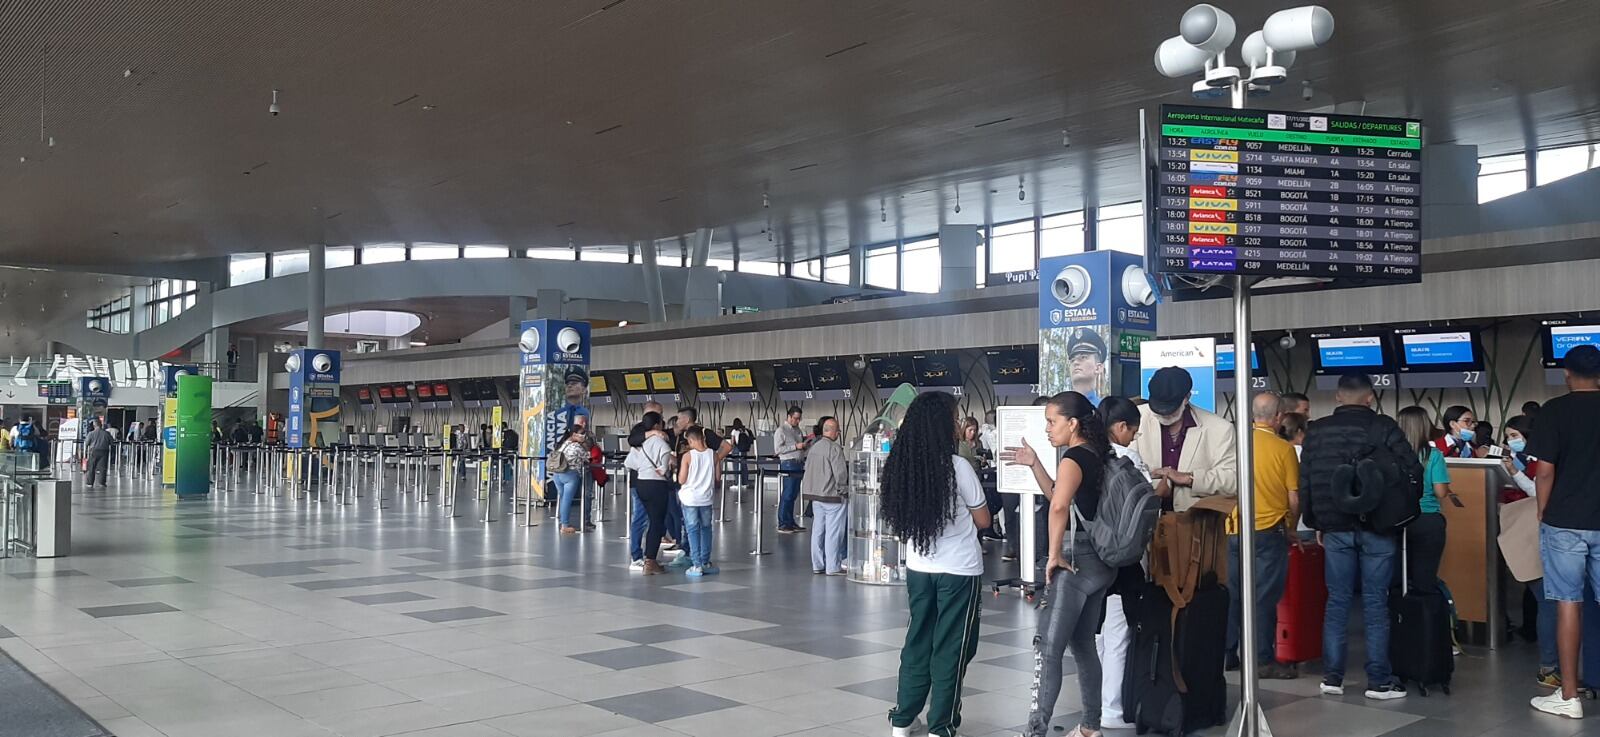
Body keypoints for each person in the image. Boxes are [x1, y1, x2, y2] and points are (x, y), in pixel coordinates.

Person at [1300, 372, 1420, 700]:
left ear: (1338, 396)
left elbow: (1306, 481)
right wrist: (1400, 514)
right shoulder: (1385, 428)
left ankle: (1333, 678)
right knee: (1375, 602)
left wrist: (1316, 522)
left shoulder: (1317, 432)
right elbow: (1413, 470)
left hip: (1335, 529)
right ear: (1370, 397)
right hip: (1379, 527)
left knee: (1337, 601)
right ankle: (1379, 681)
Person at [1004, 392, 1113, 737]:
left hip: (1076, 560)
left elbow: (1058, 508)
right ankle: (1091, 727)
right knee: (1083, 646)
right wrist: (1035, 462)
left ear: (1073, 423)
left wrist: (1053, 554)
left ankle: (1035, 731)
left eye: (1052, 421)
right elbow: (1059, 495)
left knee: (1048, 647)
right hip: (1101, 562)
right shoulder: (1097, 453)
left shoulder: (1073, 458)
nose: (1048, 428)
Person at [884, 392, 990, 737]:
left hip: (919, 569)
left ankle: (903, 719)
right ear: (942, 425)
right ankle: (940, 725)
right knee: (952, 648)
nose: (960, 424)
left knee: (918, 639)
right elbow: (984, 520)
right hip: (959, 571)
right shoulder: (958, 467)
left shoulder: (901, 466)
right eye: (956, 418)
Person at [1529, 345, 1600, 719]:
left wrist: (1543, 509)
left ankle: (1569, 696)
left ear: (1567, 375)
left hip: (1564, 521)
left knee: (1568, 604)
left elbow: (1544, 470)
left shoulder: (1555, 410)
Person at [1225, 391, 1302, 679]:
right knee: (1263, 598)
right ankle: (1260, 660)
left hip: (1233, 529)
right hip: (1269, 532)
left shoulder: (1236, 445)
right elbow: (1293, 497)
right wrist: (1292, 527)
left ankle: (1228, 653)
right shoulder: (1284, 449)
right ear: (1278, 417)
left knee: (1233, 595)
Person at [1095, 395, 1151, 730]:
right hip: (1124, 558)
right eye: (1133, 430)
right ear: (1120, 427)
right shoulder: (1129, 459)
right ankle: (1113, 708)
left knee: (1098, 633)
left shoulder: (1086, 457)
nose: (1134, 437)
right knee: (1118, 634)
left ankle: (1098, 699)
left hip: (1091, 556)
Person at [1132, 366, 1238, 511]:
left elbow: (1233, 481)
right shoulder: (1135, 419)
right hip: (1142, 521)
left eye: (1170, 410)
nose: (1164, 414)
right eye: (1158, 409)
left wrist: (1190, 479)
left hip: (1196, 524)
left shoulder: (1220, 429)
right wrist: (1152, 479)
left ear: (1187, 398)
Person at [1396, 406, 1453, 595]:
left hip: (1396, 519)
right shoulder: (1434, 455)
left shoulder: (1391, 454)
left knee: (1397, 575)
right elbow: (1441, 492)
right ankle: (1423, 619)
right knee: (1424, 578)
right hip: (1427, 518)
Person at [624, 411, 674, 575]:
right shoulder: (659, 440)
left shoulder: (641, 443)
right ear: (657, 425)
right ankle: (650, 561)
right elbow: (666, 453)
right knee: (656, 523)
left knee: (646, 519)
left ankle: (646, 559)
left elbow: (631, 462)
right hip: (656, 484)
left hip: (641, 483)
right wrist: (664, 468)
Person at [802, 416, 849, 575]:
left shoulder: (813, 447)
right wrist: (844, 490)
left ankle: (818, 565)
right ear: (831, 431)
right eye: (838, 430)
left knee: (818, 531)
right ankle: (833, 566)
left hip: (816, 497)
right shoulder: (834, 449)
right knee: (834, 532)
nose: (839, 432)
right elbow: (840, 473)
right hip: (832, 497)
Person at [675, 427, 719, 577]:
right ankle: (706, 561)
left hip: (690, 498)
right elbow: (717, 478)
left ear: (692, 440)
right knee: (706, 528)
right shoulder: (714, 455)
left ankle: (696, 564)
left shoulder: (688, 456)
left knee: (692, 530)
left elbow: (682, 479)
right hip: (706, 498)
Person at [551, 423, 590, 534]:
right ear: (574, 434)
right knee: (567, 500)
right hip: (570, 474)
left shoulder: (563, 444)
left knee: (563, 499)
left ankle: (563, 522)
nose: (584, 436)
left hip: (557, 474)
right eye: (582, 434)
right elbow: (588, 457)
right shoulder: (577, 446)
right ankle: (564, 525)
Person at [776, 406, 809, 533]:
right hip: (788, 463)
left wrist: (804, 446)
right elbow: (778, 450)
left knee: (794, 494)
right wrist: (796, 446)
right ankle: (783, 523)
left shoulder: (797, 430)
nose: (797, 421)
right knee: (788, 493)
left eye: (799, 419)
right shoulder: (781, 430)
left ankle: (790, 521)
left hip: (798, 463)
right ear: (789, 417)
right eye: (795, 418)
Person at [1067, 327, 1108, 406]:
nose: (1075, 362)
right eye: (1072, 360)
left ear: (1098, 368)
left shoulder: (1103, 409)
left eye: (1083, 357)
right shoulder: (1060, 407)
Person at [85, 420, 114, 488]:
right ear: (101, 425)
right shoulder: (106, 433)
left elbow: (87, 443)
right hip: (104, 451)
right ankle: (102, 483)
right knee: (103, 468)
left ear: (94, 426)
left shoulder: (91, 433)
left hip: (94, 451)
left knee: (92, 467)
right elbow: (111, 442)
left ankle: (90, 483)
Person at [728, 418, 754, 490]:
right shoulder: (745, 430)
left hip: (736, 450)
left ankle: (737, 483)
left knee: (736, 466)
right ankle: (745, 483)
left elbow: (732, 443)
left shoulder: (734, 431)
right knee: (744, 466)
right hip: (744, 451)